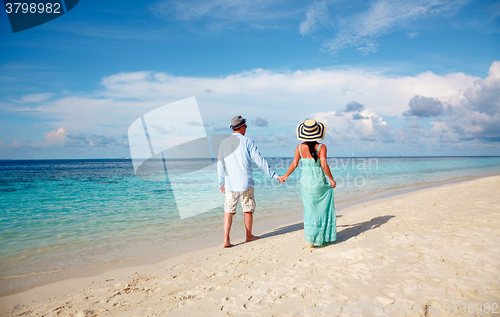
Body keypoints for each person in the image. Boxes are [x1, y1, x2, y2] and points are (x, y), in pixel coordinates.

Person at [217, 115, 283, 248]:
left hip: (230, 184)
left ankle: (226, 239)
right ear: (241, 127)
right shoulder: (247, 141)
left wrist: (221, 182)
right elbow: (260, 161)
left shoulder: (224, 142)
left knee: (228, 210)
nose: (246, 128)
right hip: (245, 182)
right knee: (248, 209)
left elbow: (220, 164)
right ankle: (248, 236)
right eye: (245, 126)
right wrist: (274, 175)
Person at [282, 119, 336, 247]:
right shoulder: (322, 147)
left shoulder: (300, 147)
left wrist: (285, 176)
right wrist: (331, 179)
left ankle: (312, 239)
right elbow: (324, 166)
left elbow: (294, 164)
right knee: (321, 209)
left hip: (305, 184)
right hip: (318, 183)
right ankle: (321, 237)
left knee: (309, 210)